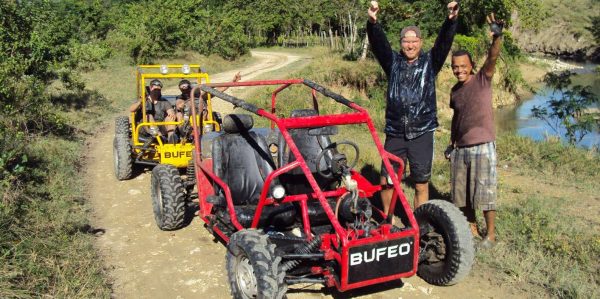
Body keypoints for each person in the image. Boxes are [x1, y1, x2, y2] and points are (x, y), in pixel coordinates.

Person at [367, 1, 459, 214]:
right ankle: (388, 221)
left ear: (420, 42)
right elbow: (379, 44)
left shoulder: (430, 62)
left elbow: (444, 42)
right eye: (406, 41)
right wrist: (373, 23)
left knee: (420, 183)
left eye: (414, 41)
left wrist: (451, 21)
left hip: (422, 132)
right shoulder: (392, 63)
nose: (410, 45)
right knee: (387, 181)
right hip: (396, 132)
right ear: (401, 43)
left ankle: (420, 224)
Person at [446, 13, 504, 248]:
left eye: (463, 66)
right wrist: (452, 143)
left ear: (471, 67)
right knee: (462, 192)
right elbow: (456, 118)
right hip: (461, 148)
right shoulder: (455, 91)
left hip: (482, 146)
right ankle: (469, 227)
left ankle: (489, 235)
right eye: (454, 67)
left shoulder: (482, 79)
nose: (459, 70)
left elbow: (493, 56)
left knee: (485, 192)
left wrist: (497, 36)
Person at [175, 72, 242, 127]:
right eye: (183, 89)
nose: (186, 91)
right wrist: (184, 104)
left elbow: (219, 90)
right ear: (180, 90)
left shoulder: (201, 96)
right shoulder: (181, 98)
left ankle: (212, 132)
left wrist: (233, 81)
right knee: (179, 115)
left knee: (210, 114)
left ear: (192, 88)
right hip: (188, 119)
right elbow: (179, 105)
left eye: (188, 89)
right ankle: (183, 134)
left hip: (203, 118)